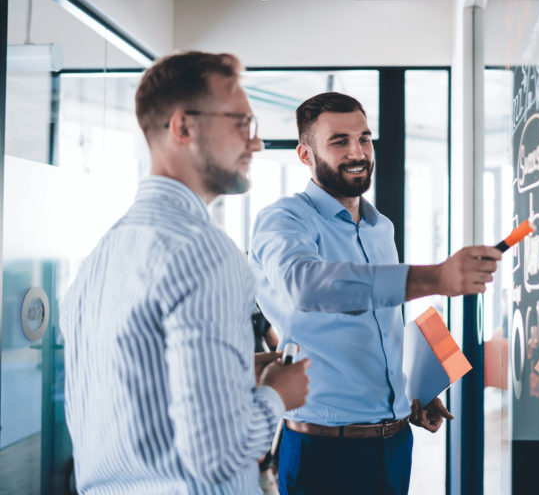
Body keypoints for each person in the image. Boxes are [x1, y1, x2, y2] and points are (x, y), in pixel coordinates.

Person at [60, 51, 311, 495]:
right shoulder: (207, 252)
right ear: (183, 127)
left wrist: (232, 375)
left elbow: (133, 398)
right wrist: (277, 394)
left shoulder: (98, 260)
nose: (256, 144)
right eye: (243, 124)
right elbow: (220, 455)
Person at [249, 92, 502, 494]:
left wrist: (408, 395)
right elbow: (306, 284)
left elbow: (379, 328)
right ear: (304, 155)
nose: (358, 152)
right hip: (323, 449)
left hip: (396, 441)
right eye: (340, 141)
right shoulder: (283, 219)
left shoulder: (380, 227)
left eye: (364, 138)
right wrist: (435, 278)